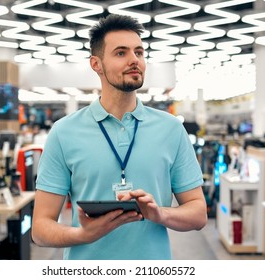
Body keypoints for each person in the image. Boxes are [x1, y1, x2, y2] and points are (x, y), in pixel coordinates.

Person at [31, 14, 207, 260]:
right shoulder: (64, 132)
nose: (134, 60)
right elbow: (40, 228)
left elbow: (198, 214)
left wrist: (159, 214)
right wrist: (84, 234)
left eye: (139, 52)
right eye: (121, 53)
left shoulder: (171, 129)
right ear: (96, 64)